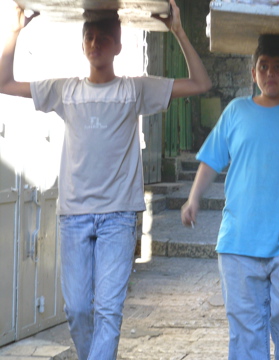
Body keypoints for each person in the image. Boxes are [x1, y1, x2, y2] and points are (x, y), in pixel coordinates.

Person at [0, 1, 211, 359]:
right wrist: (16, 31)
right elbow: (4, 82)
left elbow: (201, 83)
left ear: (118, 45)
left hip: (119, 218)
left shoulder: (135, 89)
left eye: (103, 38)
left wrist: (178, 31)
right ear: (83, 44)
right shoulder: (65, 90)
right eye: (90, 38)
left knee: (109, 311)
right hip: (74, 217)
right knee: (78, 310)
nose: (95, 44)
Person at [181, 34, 279, 360]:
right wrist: (194, 199)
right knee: (246, 334)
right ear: (253, 73)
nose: (270, 73)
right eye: (263, 67)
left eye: (278, 67)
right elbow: (211, 160)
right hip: (239, 239)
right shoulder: (236, 112)